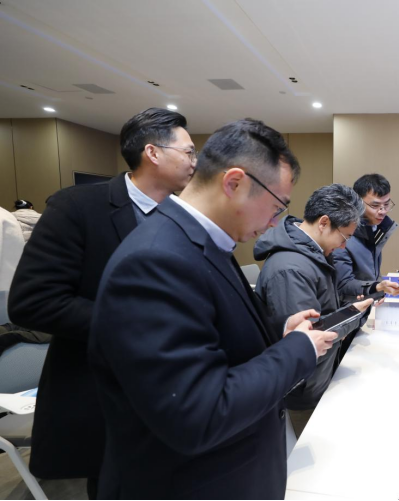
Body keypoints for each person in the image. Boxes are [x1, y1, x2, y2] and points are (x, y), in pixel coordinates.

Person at [89, 118, 337, 500]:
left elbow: (216, 330)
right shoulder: (156, 260)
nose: (275, 222)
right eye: (277, 206)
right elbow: (197, 413)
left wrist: (279, 330)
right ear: (234, 183)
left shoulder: (200, 241)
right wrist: (297, 350)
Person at [8, 108, 195, 498]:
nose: (196, 162)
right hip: (101, 394)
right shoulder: (78, 207)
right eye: (189, 152)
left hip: (172, 394)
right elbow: (33, 301)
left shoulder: (184, 216)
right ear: (153, 153)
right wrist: (136, 323)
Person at [255, 184, 376, 437]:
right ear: (324, 223)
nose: (343, 247)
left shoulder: (311, 254)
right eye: (344, 238)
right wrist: (355, 314)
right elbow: (308, 339)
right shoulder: (291, 269)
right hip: (303, 389)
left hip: (318, 377)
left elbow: (323, 307)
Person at [332, 173, 399, 358]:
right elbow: (343, 284)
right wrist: (376, 287)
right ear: (357, 202)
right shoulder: (344, 235)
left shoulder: (375, 228)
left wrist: (377, 289)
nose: (382, 211)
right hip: (343, 316)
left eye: (386, 204)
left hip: (362, 309)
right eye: (375, 205)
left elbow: (371, 268)